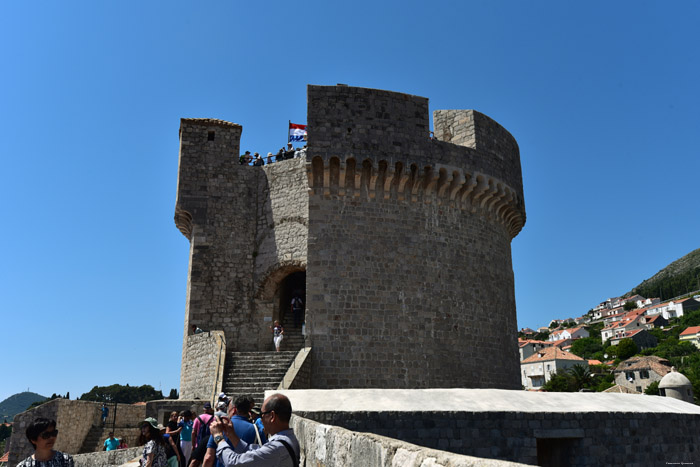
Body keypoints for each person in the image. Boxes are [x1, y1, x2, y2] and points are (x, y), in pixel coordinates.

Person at [210, 393, 299, 467]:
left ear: (272, 416)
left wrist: (218, 437)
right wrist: (231, 435)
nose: (261, 418)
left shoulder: (277, 448)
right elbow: (253, 450)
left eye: (262, 414)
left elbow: (234, 463)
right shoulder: (288, 439)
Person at [203, 396, 259, 467]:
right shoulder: (257, 429)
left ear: (234, 410)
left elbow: (209, 457)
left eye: (228, 408)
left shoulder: (220, 427)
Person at [189, 402, 215, 466]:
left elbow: (193, 432)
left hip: (198, 444)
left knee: (195, 462)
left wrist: (193, 444)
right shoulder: (213, 418)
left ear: (204, 409)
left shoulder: (197, 419)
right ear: (210, 409)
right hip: (209, 444)